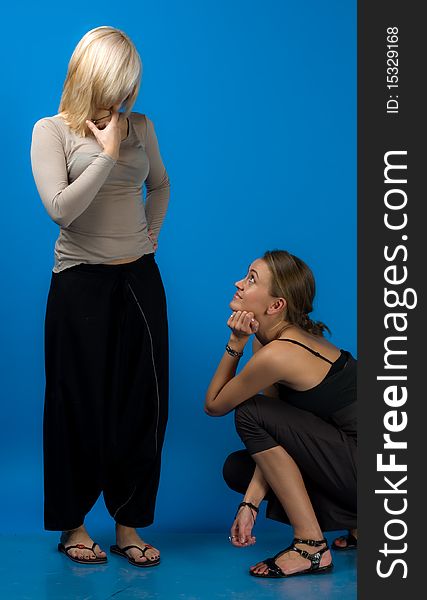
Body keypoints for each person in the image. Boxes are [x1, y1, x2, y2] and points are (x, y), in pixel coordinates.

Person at [30, 26, 170, 567]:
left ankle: (129, 526)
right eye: (116, 81)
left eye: (129, 84)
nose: (123, 95)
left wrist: (149, 235)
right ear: (91, 75)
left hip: (138, 278)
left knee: (143, 404)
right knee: (76, 404)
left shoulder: (142, 126)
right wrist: (108, 155)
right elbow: (60, 209)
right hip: (78, 282)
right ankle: (73, 526)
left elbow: (159, 184)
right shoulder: (52, 131)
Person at [205, 250, 357, 578]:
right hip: (362, 469)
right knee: (238, 468)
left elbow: (215, 404)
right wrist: (250, 503)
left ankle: (310, 546)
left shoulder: (279, 354)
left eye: (251, 280)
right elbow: (277, 437)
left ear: (275, 306)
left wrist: (236, 341)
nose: (238, 283)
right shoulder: (282, 341)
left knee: (248, 410)